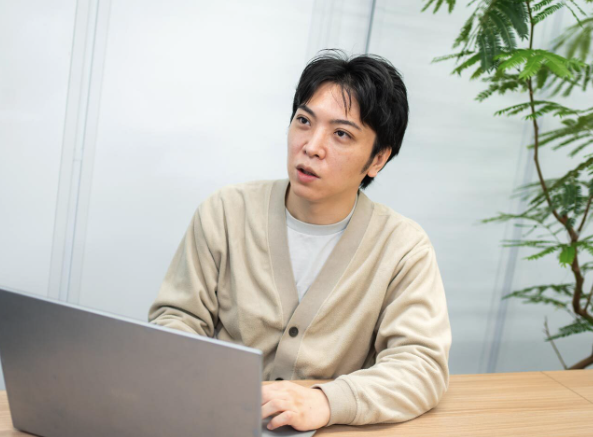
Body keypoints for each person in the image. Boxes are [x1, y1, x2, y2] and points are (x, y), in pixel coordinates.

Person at [148, 49, 452, 432]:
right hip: (218, 420)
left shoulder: (403, 247)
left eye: (341, 134)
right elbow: (175, 321)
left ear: (377, 159)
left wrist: (326, 401)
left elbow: (421, 366)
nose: (311, 146)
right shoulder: (225, 212)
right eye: (304, 121)